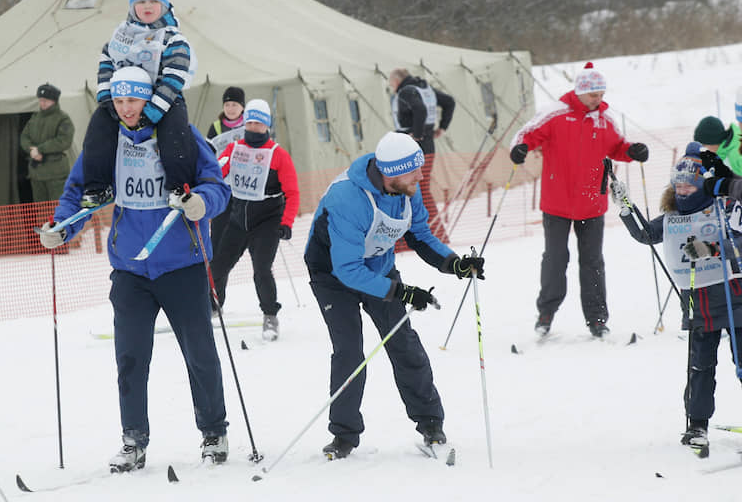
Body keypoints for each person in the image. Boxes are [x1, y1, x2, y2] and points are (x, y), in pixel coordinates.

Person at [39, 67, 231, 472]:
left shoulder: (179, 135)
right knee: (130, 358)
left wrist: (202, 203)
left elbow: (216, 185)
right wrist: (61, 227)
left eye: (134, 100)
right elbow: (80, 192)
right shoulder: (108, 140)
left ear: (150, 100)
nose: (126, 109)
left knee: (199, 353)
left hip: (183, 264)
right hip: (130, 268)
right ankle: (133, 440)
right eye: (119, 101)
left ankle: (214, 432)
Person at [304, 131, 485, 459]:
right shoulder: (347, 198)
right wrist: (400, 291)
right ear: (390, 173)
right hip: (332, 276)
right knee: (349, 353)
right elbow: (347, 270)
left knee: (403, 342)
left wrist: (454, 264)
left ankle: (430, 422)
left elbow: (419, 234)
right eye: (413, 169)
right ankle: (344, 435)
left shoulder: (407, 190)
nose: (421, 175)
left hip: (377, 266)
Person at [613, 142, 742, 455]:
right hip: (699, 303)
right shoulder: (672, 216)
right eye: (679, 184)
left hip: (734, 300)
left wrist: (709, 249)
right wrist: (625, 206)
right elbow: (645, 235)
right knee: (700, 366)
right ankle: (697, 425)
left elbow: (738, 242)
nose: (684, 191)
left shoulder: (723, 207)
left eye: (690, 184)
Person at [509, 62, 649, 338]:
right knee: (555, 259)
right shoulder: (555, 113)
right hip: (557, 202)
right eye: (594, 94)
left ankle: (597, 318)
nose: (599, 99)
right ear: (581, 92)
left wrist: (632, 151)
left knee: (593, 262)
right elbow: (526, 134)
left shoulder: (604, 119)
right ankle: (546, 313)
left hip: (592, 203)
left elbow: (617, 146)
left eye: (602, 93)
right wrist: (520, 148)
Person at [80, 0, 196, 209]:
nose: (147, 6)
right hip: (124, 100)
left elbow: (174, 78)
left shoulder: (173, 39)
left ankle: (179, 187)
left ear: (164, 4)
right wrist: (106, 99)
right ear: (133, 6)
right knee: (98, 131)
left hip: (163, 100)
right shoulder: (122, 36)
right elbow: (106, 62)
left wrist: (153, 111)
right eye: (141, 1)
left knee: (175, 133)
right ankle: (98, 187)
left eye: (154, 1)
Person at [210, 99, 300, 341]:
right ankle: (211, 307)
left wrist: (287, 222)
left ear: (266, 125)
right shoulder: (234, 149)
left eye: (258, 123)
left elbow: (292, 193)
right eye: (249, 122)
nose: (253, 127)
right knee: (217, 267)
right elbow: (218, 171)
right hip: (239, 218)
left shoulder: (278, 154)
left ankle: (270, 316)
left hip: (268, 220)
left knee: (261, 270)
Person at [388, 68, 455, 244]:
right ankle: (434, 234)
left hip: (413, 148)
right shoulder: (424, 88)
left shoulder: (407, 91)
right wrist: (442, 126)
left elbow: (419, 109)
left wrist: (416, 134)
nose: (390, 86)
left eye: (390, 82)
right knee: (420, 191)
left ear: (397, 81)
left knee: (413, 191)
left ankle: (426, 236)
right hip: (428, 146)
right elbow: (449, 101)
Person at [205, 86, 246, 256]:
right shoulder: (215, 127)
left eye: (234, 105)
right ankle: (216, 279)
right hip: (223, 186)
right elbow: (208, 154)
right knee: (218, 237)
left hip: (244, 187)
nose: (230, 109)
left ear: (242, 107)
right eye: (227, 105)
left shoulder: (250, 125)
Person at [19, 83, 75, 202]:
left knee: (58, 207)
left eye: (46, 100)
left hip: (56, 173)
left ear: (54, 101)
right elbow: (24, 137)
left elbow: (64, 141)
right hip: (37, 173)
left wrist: (40, 149)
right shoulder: (35, 118)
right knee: (42, 209)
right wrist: (32, 150)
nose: (42, 103)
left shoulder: (63, 119)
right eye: (41, 100)